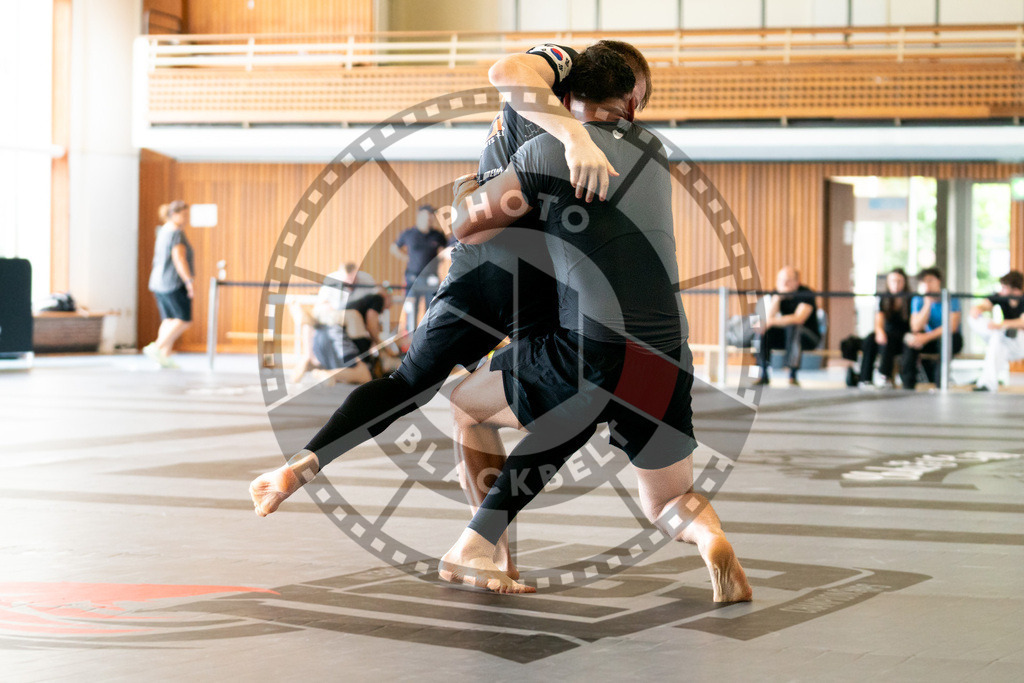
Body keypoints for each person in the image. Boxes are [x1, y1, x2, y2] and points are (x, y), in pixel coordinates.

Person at [250, 42, 645, 578]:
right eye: (632, 101)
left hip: (488, 270)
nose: (628, 117)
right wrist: (575, 137)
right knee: (570, 404)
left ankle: (303, 468)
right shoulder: (561, 72)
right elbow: (506, 69)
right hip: (517, 273)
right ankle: (483, 544)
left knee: (411, 384)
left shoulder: (561, 121)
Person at [438, 45, 751, 601]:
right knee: (666, 501)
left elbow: (467, 226)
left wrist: (471, 189)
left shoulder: (543, 148)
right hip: (666, 353)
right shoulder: (653, 150)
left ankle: (484, 550)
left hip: (591, 349)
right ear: (631, 102)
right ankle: (710, 538)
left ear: (565, 98)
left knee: (465, 404)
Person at [292, 263, 387, 383]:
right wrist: (379, 343)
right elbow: (371, 321)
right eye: (347, 281)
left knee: (352, 318)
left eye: (353, 280)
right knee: (350, 317)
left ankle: (312, 361)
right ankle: (313, 361)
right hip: (336, 327)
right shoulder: (333, 285)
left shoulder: (367, 283)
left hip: (336, 332)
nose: (350, 283)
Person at [144, 200, 195, 368]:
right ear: (174, 214)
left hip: (158, 281)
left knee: (168, 319)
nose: (187, 218)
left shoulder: (163, 230)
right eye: (184, 214)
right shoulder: (176, 233)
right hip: (172, 282)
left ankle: (163, 357)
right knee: (183, 319)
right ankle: (157, 347)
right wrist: (188, 280)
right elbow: (179, 258)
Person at [752, 266, 820, 387]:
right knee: (764, 331)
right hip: (785, 338)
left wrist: (771, 322)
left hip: (807, 337)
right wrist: (777, 299)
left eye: (788, 280)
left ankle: (792, 374)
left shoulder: (806, 294)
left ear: (797, 281)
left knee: (793, 327)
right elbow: (768, 318)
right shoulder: (776, 293)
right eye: (780, 280)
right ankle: (763, 373)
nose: (784, 283)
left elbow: (798, 318)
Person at [900, 267, 963, 390]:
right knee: (911, 341)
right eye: (923, 281)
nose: (927, 284)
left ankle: (940, 383)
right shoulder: (918, 299)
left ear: (938, 281)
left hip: (948, 338)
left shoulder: (951, 298)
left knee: (947, 341)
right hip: (928, 339)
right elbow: (915, 327)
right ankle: (908, 385)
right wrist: (927, 304)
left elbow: (952, 327)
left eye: (930, 280)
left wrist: (926, 337)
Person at [390, 206, 448, 335]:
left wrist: (440, 259)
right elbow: (394, 247)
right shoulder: (409, 234)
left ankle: (428, 336)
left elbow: (446, 250)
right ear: (420, 216)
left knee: (432, 309)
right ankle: (411, 337)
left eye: (432, 216)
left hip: (431, 278)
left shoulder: (438, 235)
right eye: (427, 215)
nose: (430, 218)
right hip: (412, 277)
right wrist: (405, 257)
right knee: (411, 309)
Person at [969, 270, 1024, 392]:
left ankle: (987, 383)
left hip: (1020, 342)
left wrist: (1001, 325)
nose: (1001, 290)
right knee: (996, 338)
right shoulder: (1001, 297)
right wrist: (978, 309)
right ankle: (987, 383)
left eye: (1004, 287)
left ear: (1015, 289)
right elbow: (985, 304)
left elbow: (1022, 322)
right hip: (1005, 340)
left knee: (998, 335)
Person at [856, 267, 911, 387]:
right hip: (886, 334)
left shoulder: (910, 299)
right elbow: (878, 321)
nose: (896, 284)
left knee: (888, 340)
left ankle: (884, 375)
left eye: (899, 281)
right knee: (870, 339)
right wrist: (880, 332)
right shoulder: (883, 298)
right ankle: (864, 378)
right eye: (893, 281)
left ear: (904, 282)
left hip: (902, 336)